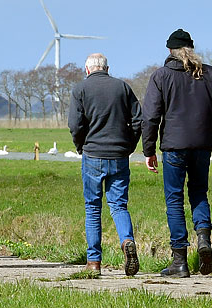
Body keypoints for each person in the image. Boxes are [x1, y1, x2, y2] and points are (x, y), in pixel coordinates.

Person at [142, 29, 212, 278]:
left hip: (174, 147)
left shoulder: (161, 76)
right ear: (191, 49)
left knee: (174, 199)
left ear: (169, 50)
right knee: (198, 193)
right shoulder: (211, 74)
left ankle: (179, 261)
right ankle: (204, 239)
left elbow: (150, 116)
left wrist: (148, 150)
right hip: (203, 145)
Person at [68, 53, 143, 277]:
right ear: (107, 68)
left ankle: (93, 262)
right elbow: (138, 120)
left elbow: (75, 124)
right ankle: (127, 241)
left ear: (87, 69)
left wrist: (81, 146)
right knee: (119, 206)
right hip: (119, 155)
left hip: (92, 154)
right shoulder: (123, 87)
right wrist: (129, 145)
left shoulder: (80, 89)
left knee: (93, 208)